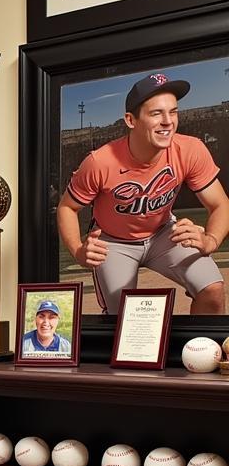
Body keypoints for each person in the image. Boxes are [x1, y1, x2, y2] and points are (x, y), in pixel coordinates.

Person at [57, 72, 229, 315]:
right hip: (114, 242)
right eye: (156, 113)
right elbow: (67, 207)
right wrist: (77, 250)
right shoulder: (100, 162)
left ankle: (199, 352)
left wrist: (210, 240)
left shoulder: (190, 149)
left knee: (212, 290)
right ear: (131, 120)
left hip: (163, 234)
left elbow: (221, 204)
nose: (168, 121)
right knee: (126, 319)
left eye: (173, 111)